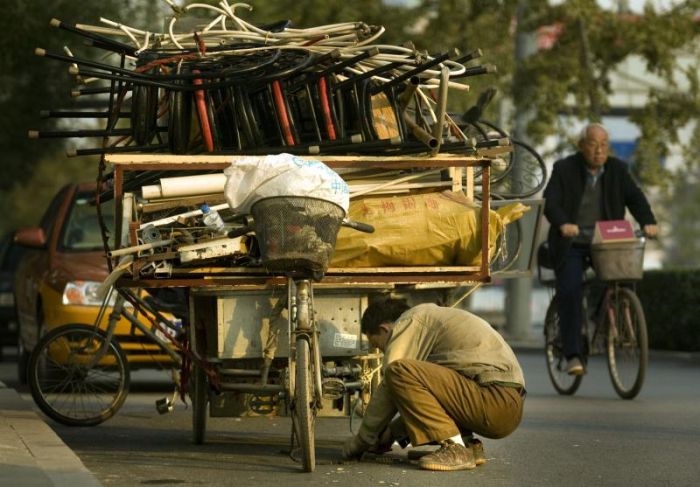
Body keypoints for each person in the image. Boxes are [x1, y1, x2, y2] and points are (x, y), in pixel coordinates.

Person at [342, 297, 525, 472]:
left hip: (494, 399)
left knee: (399, 371)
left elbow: (390, 384)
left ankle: (455, 448)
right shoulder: (433, 325)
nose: (383, 352)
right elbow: (429, 402)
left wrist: (361, 441)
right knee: (414, 375)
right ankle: (468, 445)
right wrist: (390, 434)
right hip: (505, 405)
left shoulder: (410, 320)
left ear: (384, 329)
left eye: (379, 346)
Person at [543, 123, 658, 375]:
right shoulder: (564, 169)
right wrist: (563, 223)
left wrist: (648, 221)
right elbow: (550, 202)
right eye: (593, 144)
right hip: (572, 242)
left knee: (623, 278)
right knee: (571, 290)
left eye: (604, 144)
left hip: (605, 242)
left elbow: (636, 198)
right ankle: (573, 354)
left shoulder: (618, 170)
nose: (599, 150)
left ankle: (608, 321)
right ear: (582, 146)